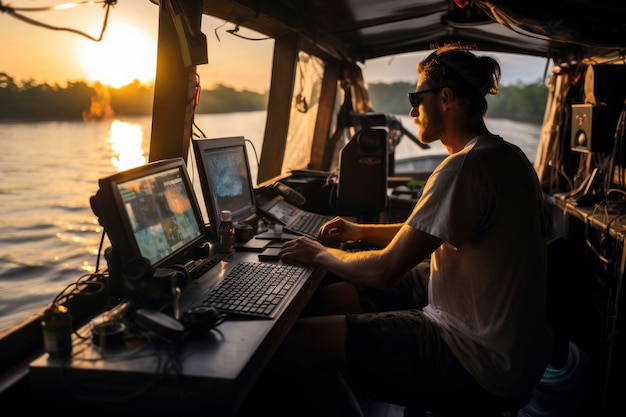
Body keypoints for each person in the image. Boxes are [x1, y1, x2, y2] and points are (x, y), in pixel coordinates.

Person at [246, 44, 554, 417]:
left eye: (416, 98)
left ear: (446, 97)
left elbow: (383, 271)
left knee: (295, 344)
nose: (411, 111)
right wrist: (361, 231)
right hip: (512, 353)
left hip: (474, 356)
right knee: (334, 298)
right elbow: (425, 230)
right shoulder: (506, 156)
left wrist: (319, 254)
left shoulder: (465, 167)